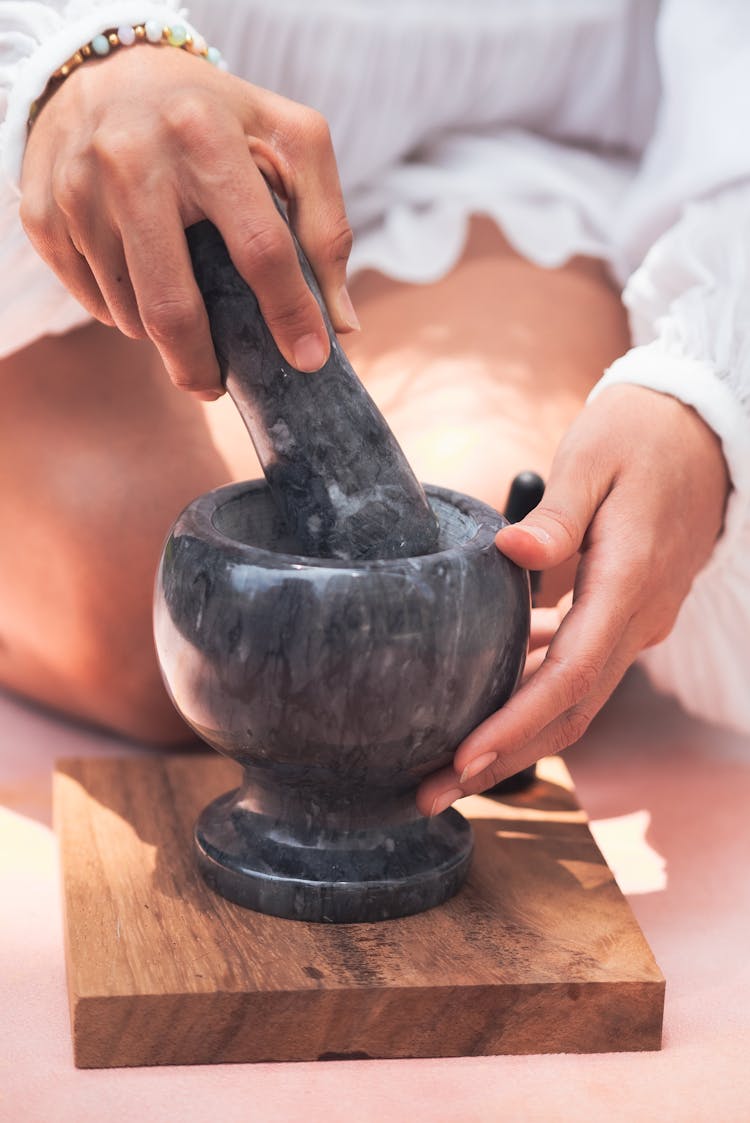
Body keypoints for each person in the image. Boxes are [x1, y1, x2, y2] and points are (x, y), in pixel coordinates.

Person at [0, 0, 746, 818]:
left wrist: (702, 399)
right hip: (120, 123)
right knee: (160, 619)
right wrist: (84, 64)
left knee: (437, 612)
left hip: (517, 137)